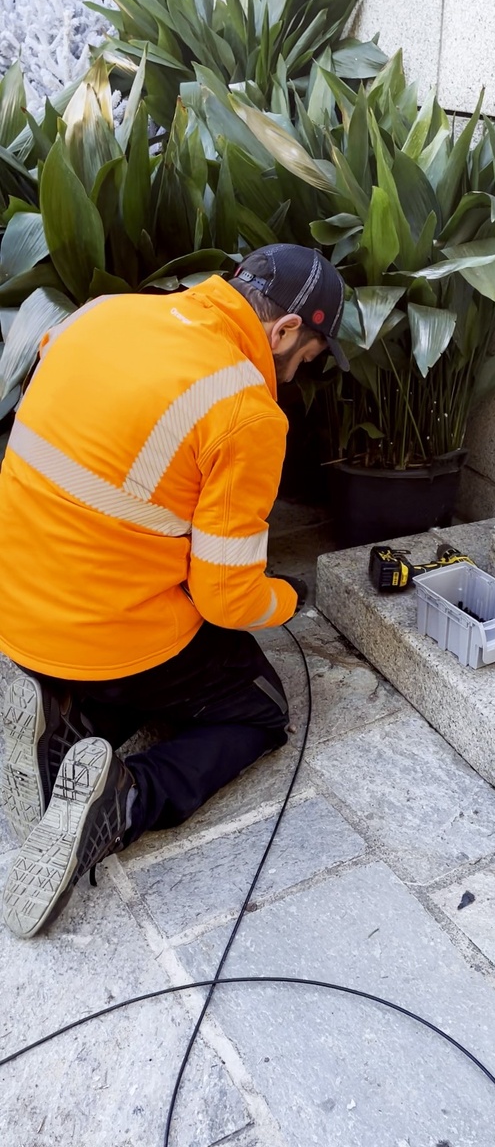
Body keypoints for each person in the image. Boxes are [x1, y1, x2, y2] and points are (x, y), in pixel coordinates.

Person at [0, 243, 347, 939]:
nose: (299, 374)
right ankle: (123, 799)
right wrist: (287, 599)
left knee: (135, 628)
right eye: (306, 357)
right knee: (256, 711)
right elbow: (225, 598)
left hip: (18, 603)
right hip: (108, 636)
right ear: (284, 331)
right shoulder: (245, 412)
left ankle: (62, 713)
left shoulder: (102, 313)